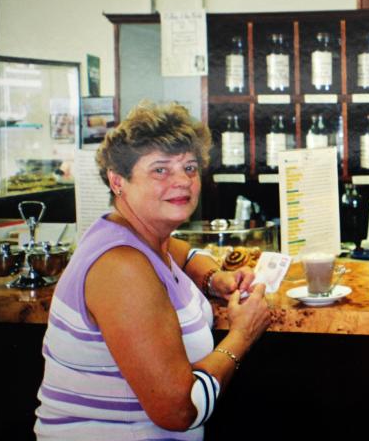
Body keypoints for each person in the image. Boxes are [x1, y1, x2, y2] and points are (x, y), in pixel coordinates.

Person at [35, 102, 272, 439]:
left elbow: (182, 252)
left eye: (190, 167)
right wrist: (242, 335)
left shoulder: (137, 235)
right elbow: (179, 410)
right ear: (118, 180)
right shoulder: (121, 268)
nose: (183, 181)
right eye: (160, 170)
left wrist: (213, 278)